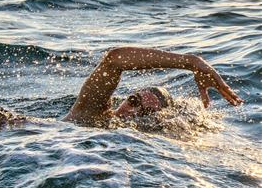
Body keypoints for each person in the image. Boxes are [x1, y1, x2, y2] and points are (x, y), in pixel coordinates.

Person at [62, 47, 243, 124]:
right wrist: (190, 62)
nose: (132, 111)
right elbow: (114, 60)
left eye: (145, 112)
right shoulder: (91, 113)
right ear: (125, 98)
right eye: (133, 101)